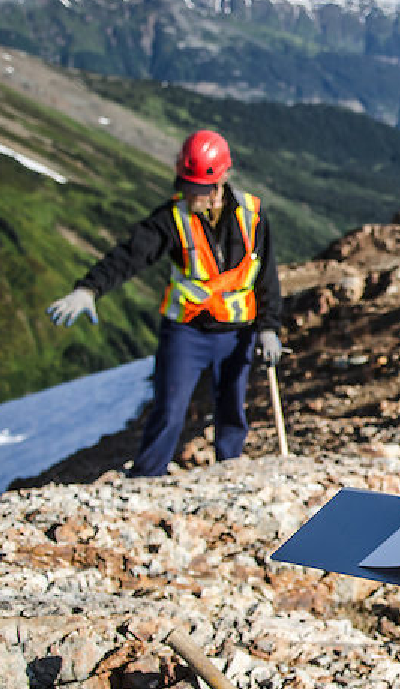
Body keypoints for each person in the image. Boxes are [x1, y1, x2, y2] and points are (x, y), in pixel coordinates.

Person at [46, 129, 284, 477]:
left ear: (220, 182)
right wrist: (89, 289)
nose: (191, 195)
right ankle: (146, 477)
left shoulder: (253, 215)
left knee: (232, 407)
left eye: (198, 189)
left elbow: (267, 278)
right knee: (170, 407)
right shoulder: (172, 219)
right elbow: (129, 256)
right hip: (187, 333)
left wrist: (269, 328)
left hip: (238, 333)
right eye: (186, 186)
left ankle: (229, 472)